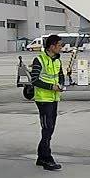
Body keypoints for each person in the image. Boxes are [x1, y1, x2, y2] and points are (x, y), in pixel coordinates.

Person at [29, 35, 66, 171]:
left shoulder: (57, 60)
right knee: (47, 129)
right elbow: (34, 80)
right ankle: (47, 159)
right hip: (43, 99)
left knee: (50, 128)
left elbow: (60, 75)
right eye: (59, 45)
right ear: (52, 46)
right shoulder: (39, 60)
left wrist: (61, 84)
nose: (61, 48)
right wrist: (51, 87)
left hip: (54, 98)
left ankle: (41, 157)